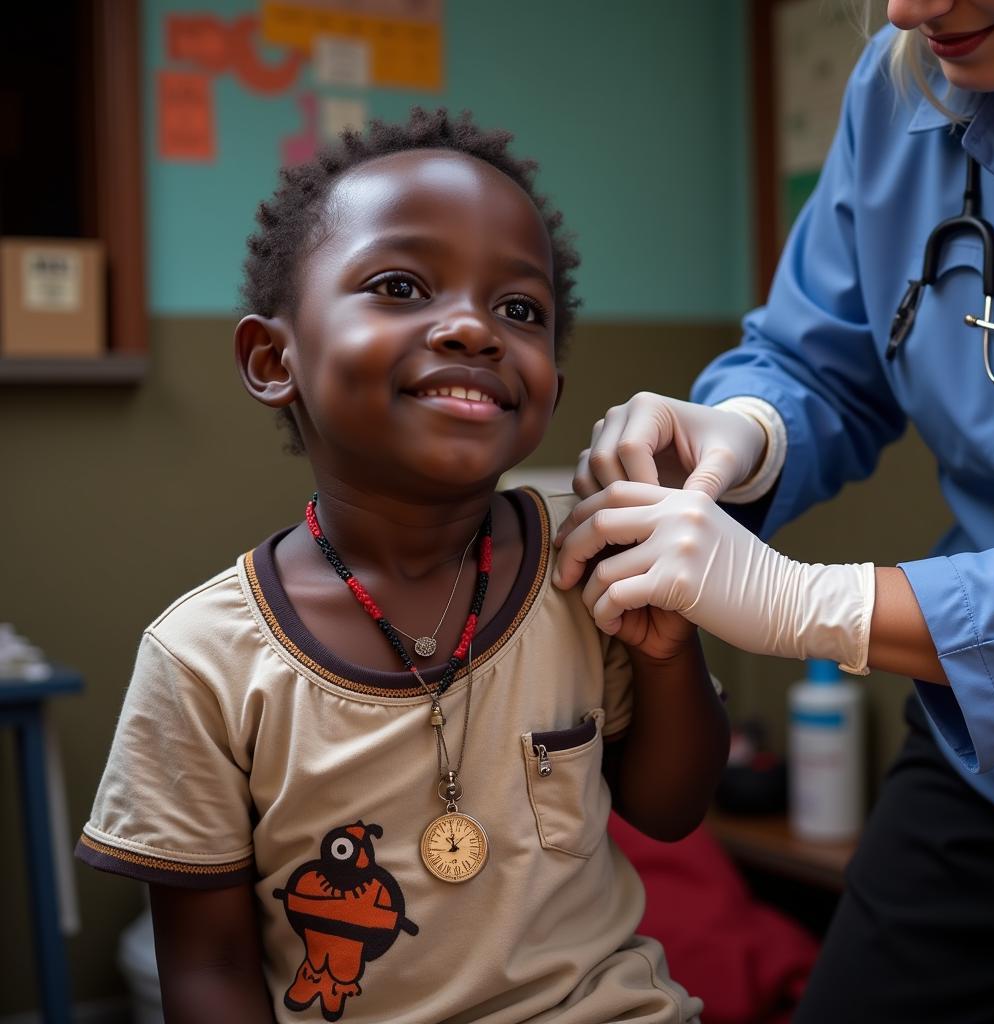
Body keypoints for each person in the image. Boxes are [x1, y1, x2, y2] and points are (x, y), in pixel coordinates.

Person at [74, 109, 723, 1024]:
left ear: (549, 390)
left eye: (519, 309)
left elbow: (671, 811)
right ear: (273, 358)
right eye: (399, 285)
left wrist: (668, 655)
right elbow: (208, 970)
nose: (472, 329)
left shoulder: (590, 562)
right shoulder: (202, 661)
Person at [554, 4, 994, 1022]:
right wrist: (747, 424)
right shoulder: (901, 82)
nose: (905, 7)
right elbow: (821, 351)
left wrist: (811, 604)